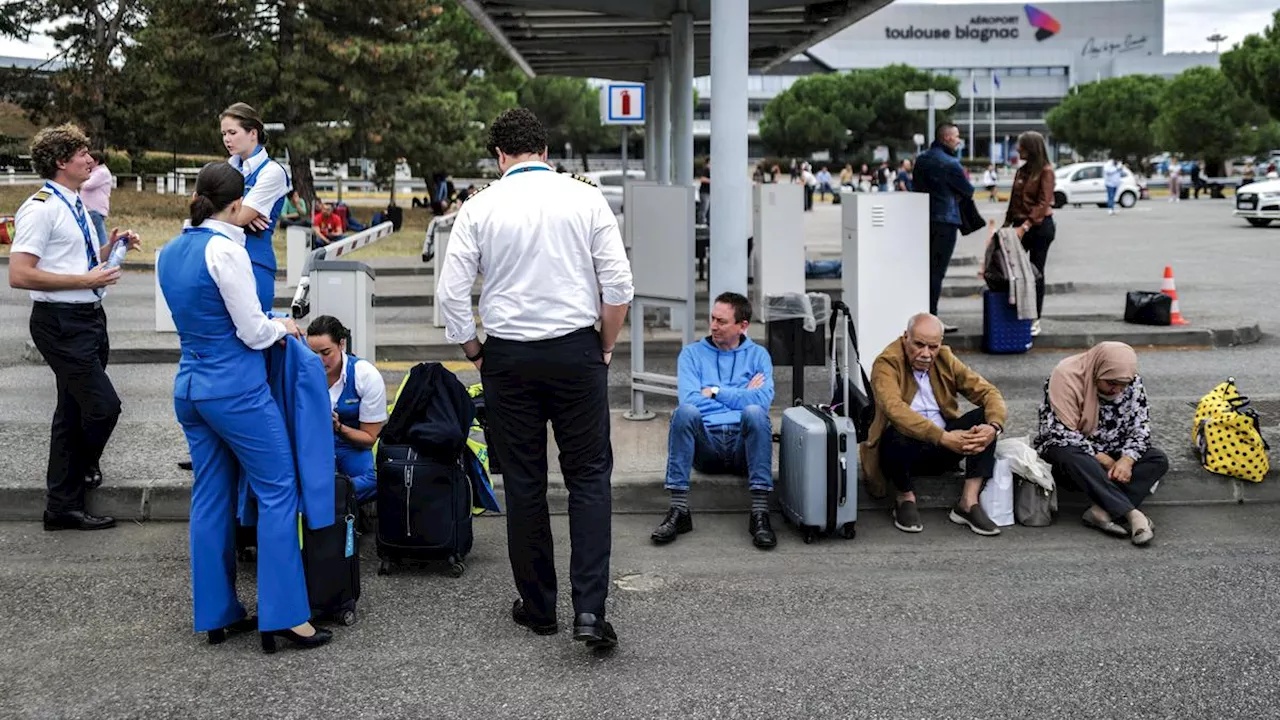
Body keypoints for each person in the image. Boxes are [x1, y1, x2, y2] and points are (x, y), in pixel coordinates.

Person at [437, 107, 633, 650]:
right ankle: (590, 611)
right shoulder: (585, 197)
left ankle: (540, 607)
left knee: (524, 483)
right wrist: (606, 343)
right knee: (589, 478)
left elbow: (451, 295)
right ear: (545, 151)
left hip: (508, 358)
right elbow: (617, 286)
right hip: (576, 352)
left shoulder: (478, 207)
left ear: (500, 157)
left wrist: (475, 349)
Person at [157, 162, 332, 653]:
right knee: (278, 490)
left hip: (190, 386)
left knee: (210, 496)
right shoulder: (225, 250)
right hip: (235, 390)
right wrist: (284, 327)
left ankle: (216, 611)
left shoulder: (169, 251)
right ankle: (285, 617)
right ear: (236, 205)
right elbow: (253, 331)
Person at [10, 124, 140, 532]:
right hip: (60, 323)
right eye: (82, 153)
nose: (90, 159)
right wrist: (85, 282)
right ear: (61, 162)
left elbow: (70, 259)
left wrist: (110, 248)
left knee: (71, 412)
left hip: (88, 319)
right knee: (103, 407)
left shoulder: (75, 202)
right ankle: (81, 471)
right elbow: (20, 274)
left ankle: (62, 505)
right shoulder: (42, 206)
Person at [861, 313, 1007, 536]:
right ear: (905, 337)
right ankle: (904, 497)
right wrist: (943, 437)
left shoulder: (944, 358)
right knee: (896, 432)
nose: (926, 354)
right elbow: (894, 409)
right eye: (919, 345)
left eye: (933, 347)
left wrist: (994, 427)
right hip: (903, 452)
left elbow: (988, 392)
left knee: (983, 421)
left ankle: (968, 502)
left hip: (945, 447)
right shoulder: (887, 363)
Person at [650, 292, 777, 550]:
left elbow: (763, 401)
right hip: (706, 445)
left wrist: (717, 391)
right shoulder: (691, 354)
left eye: (722, 321)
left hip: (744, 447)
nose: (713, 326)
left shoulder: (759, 355)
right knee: (684, 413)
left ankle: (760, 514)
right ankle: (679, 511)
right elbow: (690, 399)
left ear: (742, 326)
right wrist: (743, 394)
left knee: (755, 413)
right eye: (712, 318)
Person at [1033, 342, 1166, 546]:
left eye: (1123, 384)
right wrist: (1101, 458)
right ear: (1097, 371)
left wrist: (1127, 460)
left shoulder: (1132, 382)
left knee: (1157, 459)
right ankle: (1132, 515)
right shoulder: (1065, 377)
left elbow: (1141, 427)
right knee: (1070, 455)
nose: (1117, 390)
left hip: (1115, 453)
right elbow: (1058, 431)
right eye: (1111, 383)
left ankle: (1100, 511)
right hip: (1074, 455)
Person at [306, 315, 386, 504]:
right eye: (312, 353)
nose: (319, 360)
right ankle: (339, 498)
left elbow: (368, 439)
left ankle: (323, 498)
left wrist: (338, 427)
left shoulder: (365, 375)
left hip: (350, 446)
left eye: (326, 352)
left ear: (342, 344)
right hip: (312, 447)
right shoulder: (300, 373)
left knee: (379, 478)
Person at [221, 102, 291, 312]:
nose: (227, 139)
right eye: (224, 133)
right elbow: (198, 207)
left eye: (232, 132)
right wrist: (237, 214)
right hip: (224, 260)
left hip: (254, 263)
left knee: (254, 337)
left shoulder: (271, 172)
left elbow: (239, 217)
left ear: (253, 133)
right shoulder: (228, 167)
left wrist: (223, 212)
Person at [912, 123, 974, 330]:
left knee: (923, 271)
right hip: (945, 221)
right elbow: (968, 190)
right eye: (956, 136)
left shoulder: (921, 160)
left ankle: (920, 316)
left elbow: (917, 188)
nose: (959, 140)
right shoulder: (951, 163)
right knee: (937, 272)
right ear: (946, 138)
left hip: (922, 219)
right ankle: (932, 319)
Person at [1003, 130, 1056, 337]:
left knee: (1036, 272)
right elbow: (1013, 201)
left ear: (1031, 148)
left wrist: (1025, 226)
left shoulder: (1045, 171)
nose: (1017, 149)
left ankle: (1035, 318)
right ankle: (1015, 313)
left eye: (1021, 146)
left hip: (1038, 227)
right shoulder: (1022, 171)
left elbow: (1043, 203)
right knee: (1011, 270)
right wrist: (1006, 225)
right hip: (1018, 225)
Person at [81, 151, 114, 246]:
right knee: (95, 234)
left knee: (100, 235)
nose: (87, 162)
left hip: (94, 208)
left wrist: (79, 181)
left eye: (90, 160)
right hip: (90, 208)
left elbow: (88, 185)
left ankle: (106, 256)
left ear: (96, 161)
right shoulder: (96, 172)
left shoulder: (101, 172)